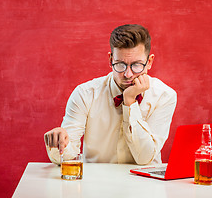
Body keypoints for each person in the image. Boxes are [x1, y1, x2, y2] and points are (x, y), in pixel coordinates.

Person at [44, 24, 177, 165]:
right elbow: (67, 157)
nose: (128, 74)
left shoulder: (165, 96)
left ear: (149, 62)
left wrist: (130, 102)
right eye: (120, 64)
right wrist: (59, 143)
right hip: (95, 183)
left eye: (137, 65)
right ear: (110, 60)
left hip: (145, 183)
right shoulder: (85, 94)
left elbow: (144, 158)